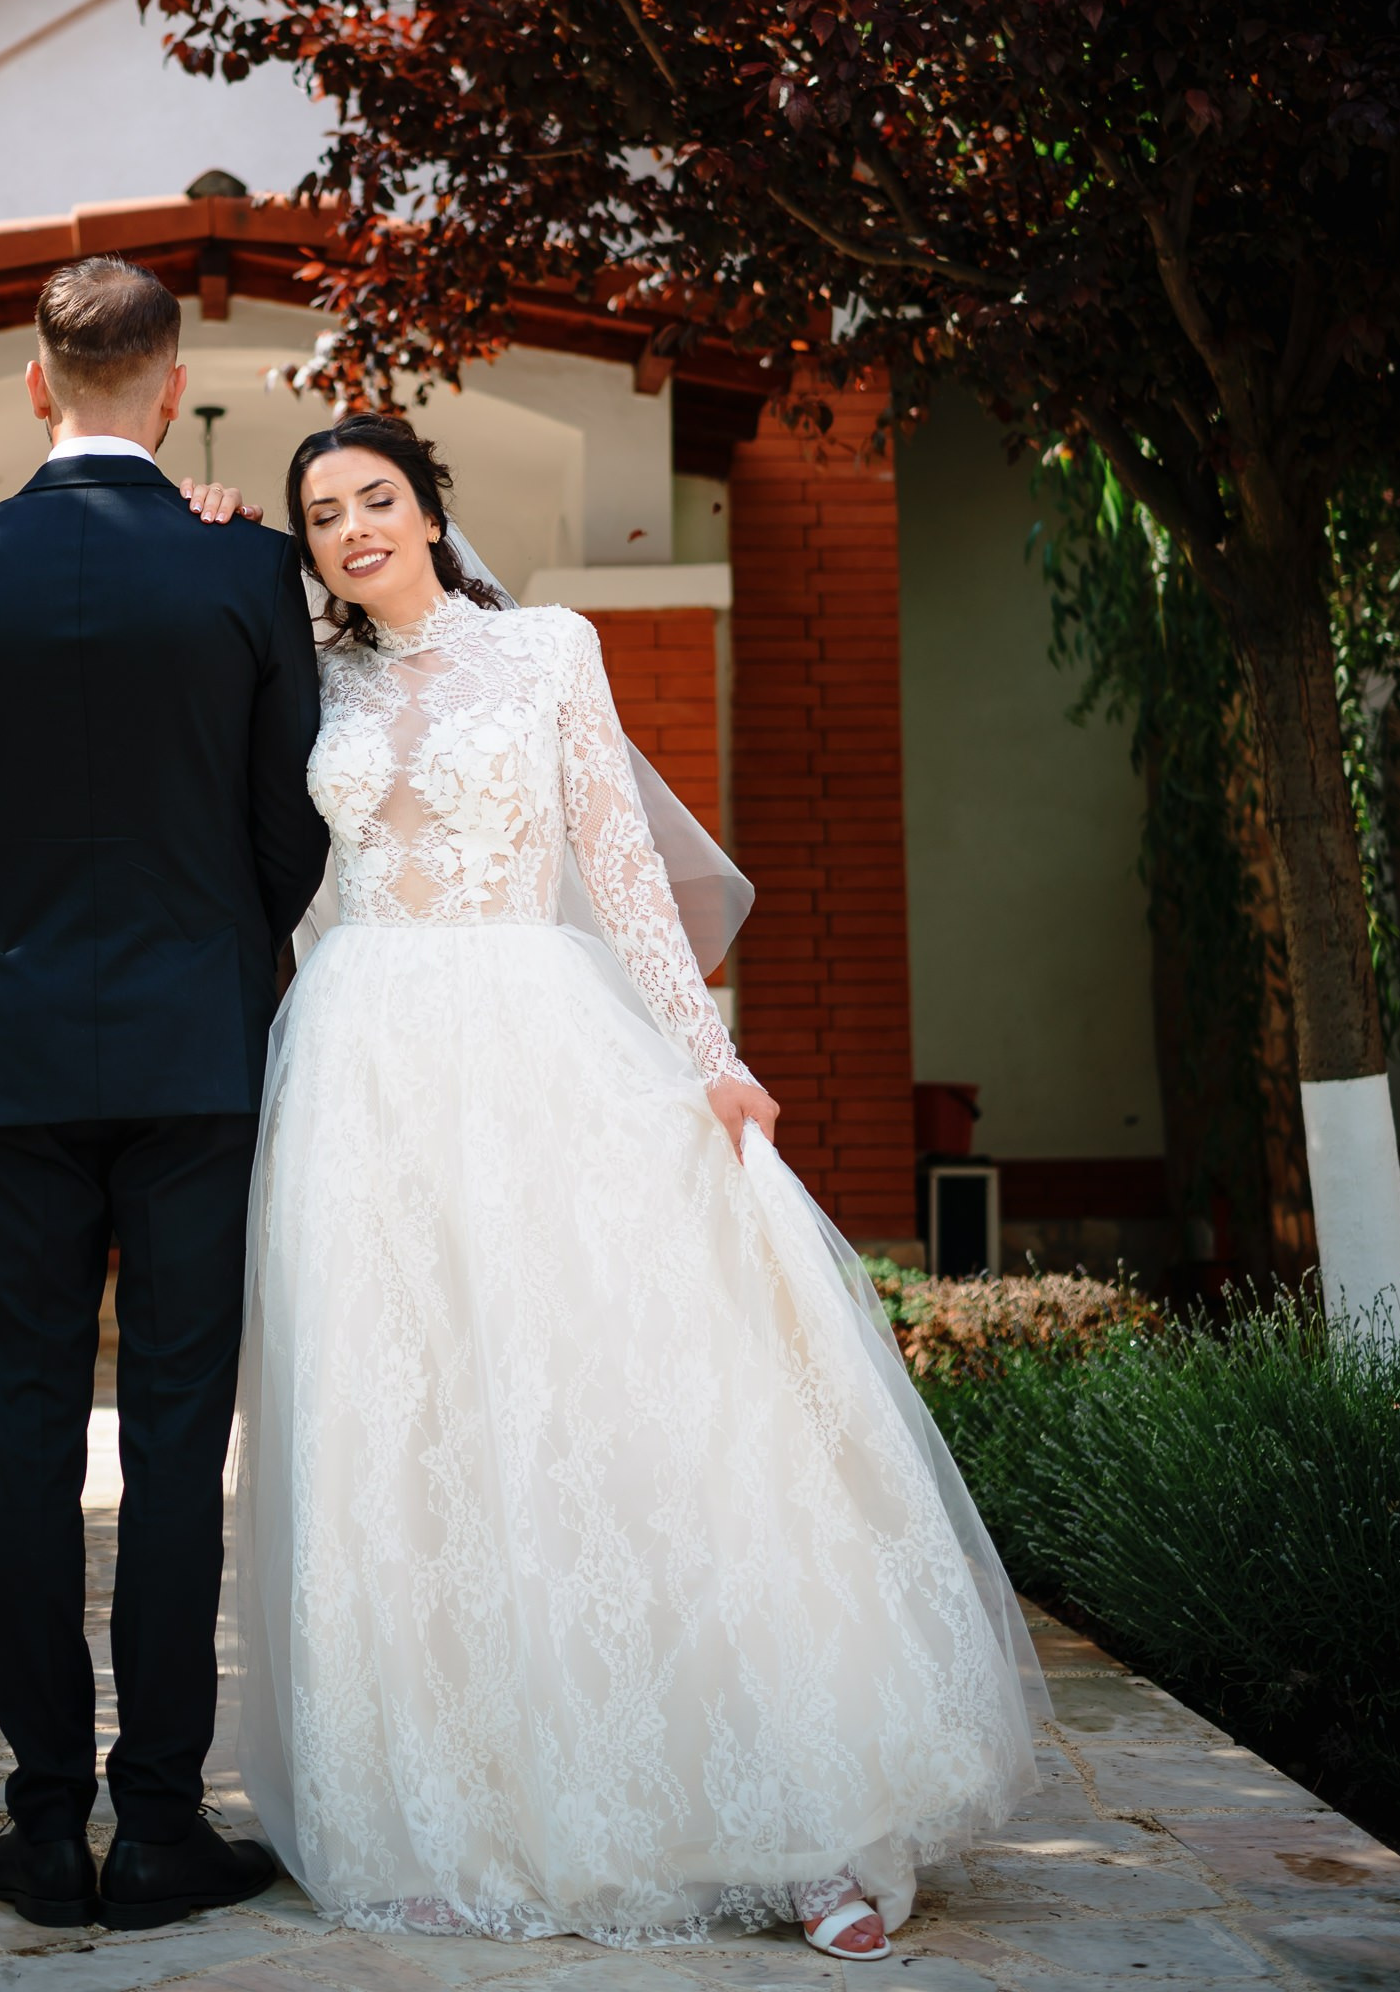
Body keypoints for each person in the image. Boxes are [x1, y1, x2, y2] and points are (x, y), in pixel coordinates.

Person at [237, 413, 1042, 1964]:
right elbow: (304, 886)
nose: (351, 530)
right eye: (321, 512)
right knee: (411, 1440)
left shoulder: (547, 649)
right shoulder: (311, 681)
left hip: (535, 1043)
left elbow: (618, 864)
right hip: (363, 1071)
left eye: (376, 499)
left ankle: (795, 1820)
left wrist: (706, 1056)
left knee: (632, 1411)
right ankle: (457, 1811)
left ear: (428, 505)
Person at [0, 256, 329, 1933]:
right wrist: (214, 943)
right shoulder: (244, 573)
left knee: (20, 1438)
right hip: (199, 1051)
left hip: (11, 1063)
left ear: (33, 382)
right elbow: (295, 816)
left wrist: (25, 945)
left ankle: (40, 1826)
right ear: (169, 387)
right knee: (173, 1433)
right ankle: (157, 1827)